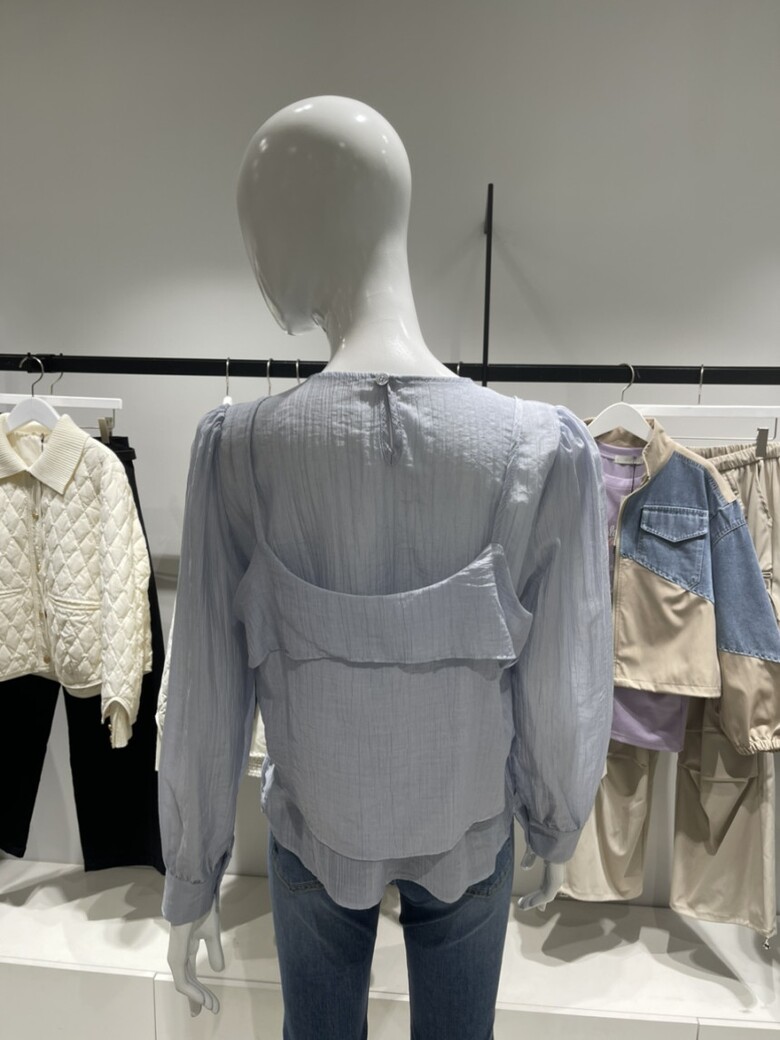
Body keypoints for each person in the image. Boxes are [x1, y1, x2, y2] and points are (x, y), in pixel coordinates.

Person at [160, 96, 613, 1040]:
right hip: (471, 825)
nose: (254, 260)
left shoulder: (242, 451)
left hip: (315, 829)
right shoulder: (535, 448)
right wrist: (554, 821)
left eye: (257, 225)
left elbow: (202, 688)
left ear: (304, 223)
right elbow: (564, 672)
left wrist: (192, 877)